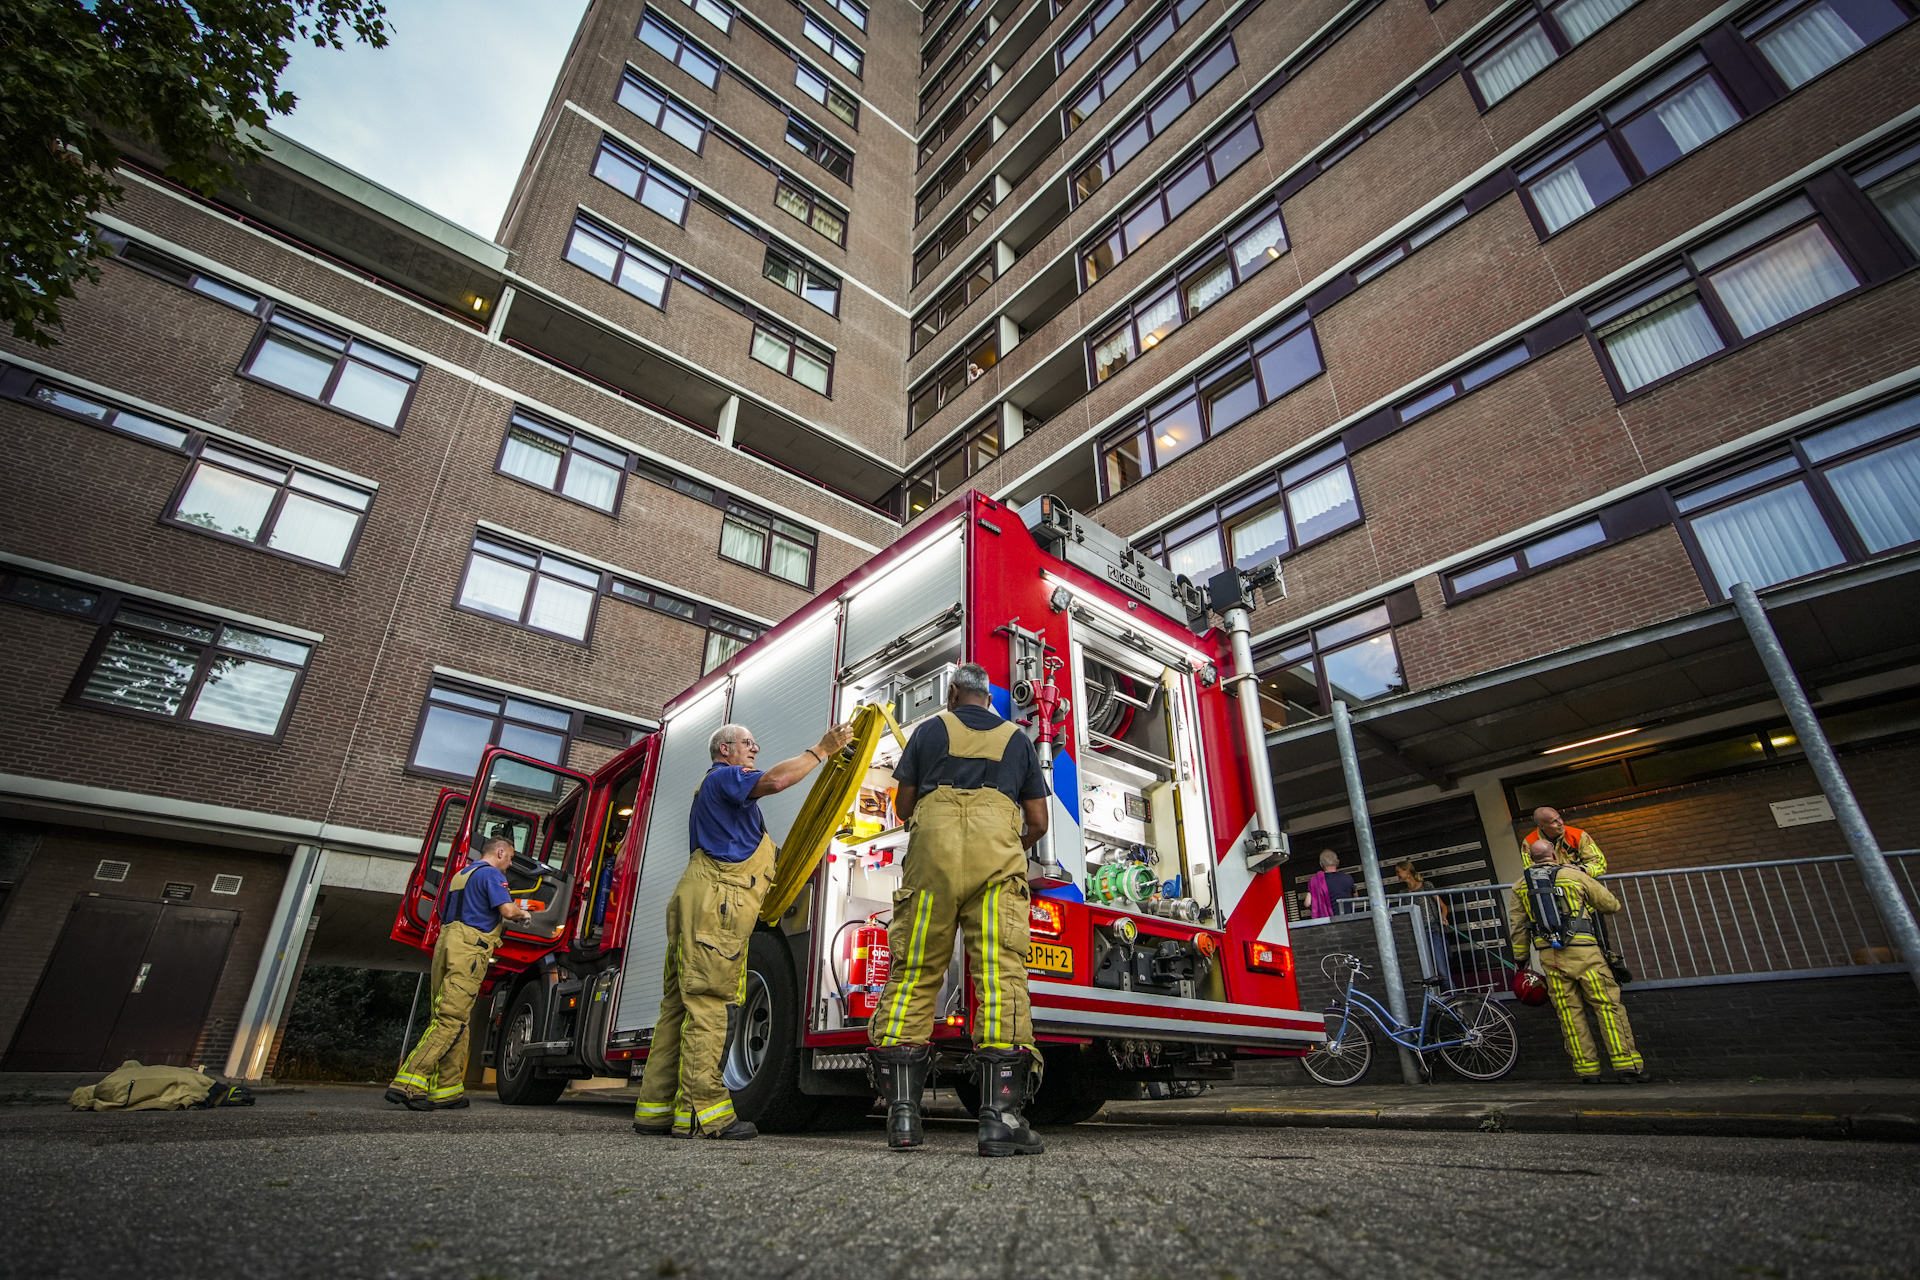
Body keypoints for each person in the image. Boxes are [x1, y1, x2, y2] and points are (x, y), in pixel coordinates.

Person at [632, 717, 852, 1140]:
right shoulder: (726, 778)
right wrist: (821, 750)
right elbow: (775, 781)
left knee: (679, 1006)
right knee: (711, 1005)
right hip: (717, 903)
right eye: (747, 743)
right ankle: (708, 1114)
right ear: (725, 750)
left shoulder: (726, 801)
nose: (754, 749)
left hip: (701, 899)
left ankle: (658, 1111)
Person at [866, 662, 1052, 1156]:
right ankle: (1000, 1120)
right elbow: (1038, 819)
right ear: (988, 697)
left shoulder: (930, 730)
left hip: (934, 857)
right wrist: (1011, 840)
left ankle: (903, 1118)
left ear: (952, 693)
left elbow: (904, 806)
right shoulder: (1018, 739)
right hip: (997, 858)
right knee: (1000, 974)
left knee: (914, 972)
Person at [387, 837, 533, 1110]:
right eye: (510, 857)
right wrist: (525, 915)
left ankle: (447, 1090)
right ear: (500, 852)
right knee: (451, 1020)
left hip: (447, 943)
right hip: (469, 949)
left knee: (455, 1019)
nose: (510, 863)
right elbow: (507, 910)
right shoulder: (492, 874)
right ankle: (408, 1083)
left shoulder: (461, 874)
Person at [1507, 838, 1646, 1084]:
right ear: (1555, 855)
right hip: (1586, 955)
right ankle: (1627, 1067)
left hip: (1551, 958)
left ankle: (1587, 1072)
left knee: (1569, 1014)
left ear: (1531, 859)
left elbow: (1518, 927)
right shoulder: (1574, 876)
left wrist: (1521, 960)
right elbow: (1611, 905)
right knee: (1607, 1007)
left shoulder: (1520, 886)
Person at [1394, 859, 1452, 988]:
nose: (1397, 875)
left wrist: (1443, 918)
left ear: (1407, 871)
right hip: (1415, 935)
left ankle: (1454, 1003)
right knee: (1425, 973)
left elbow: (1443, 906)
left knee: (1442, 970)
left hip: (1432, 931)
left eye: (1398, 872)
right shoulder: (1403, 893)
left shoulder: (1426, 886)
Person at [1521, 807, 1606, 876]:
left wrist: (1582, 870)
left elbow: (1599, 864)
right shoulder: (1529, 842)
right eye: (1554, 821)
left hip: (1580, 886)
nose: (1560, 823)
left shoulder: (1578, 836)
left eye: (1559, 818)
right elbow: (1531, 871)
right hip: (1551, 891)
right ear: (1542, 826)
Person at [1305, 849, 1354, 919]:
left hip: (1327, 923)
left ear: (1321, 864)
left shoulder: (1314, 880)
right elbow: (1355, 895)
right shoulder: (1348, 878)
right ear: (1338, 862)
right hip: (1348, 919)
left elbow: (1308, 903)